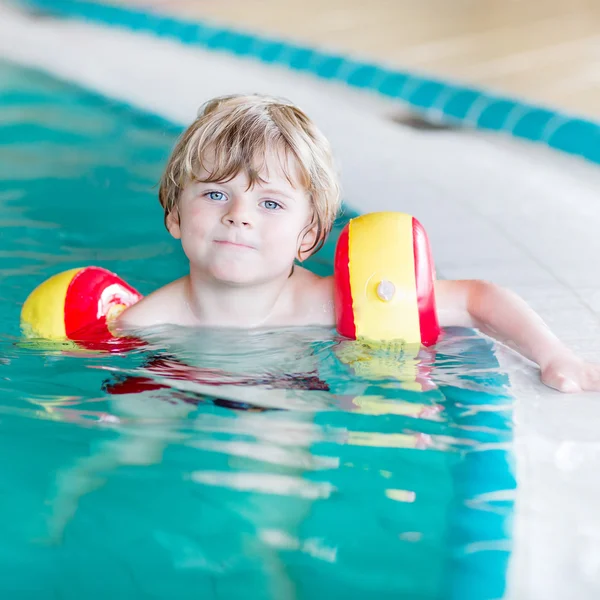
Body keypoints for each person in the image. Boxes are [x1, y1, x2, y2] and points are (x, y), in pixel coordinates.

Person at [116, 93, 600, 394]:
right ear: (175, 215)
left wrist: (557, 356)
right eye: (216, 193)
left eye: (270, 204)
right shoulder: (145, 323)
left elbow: (476, 301)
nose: (238, 215)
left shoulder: (337, 304)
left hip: (296, 395)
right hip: (178, 382)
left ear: (308, 236)